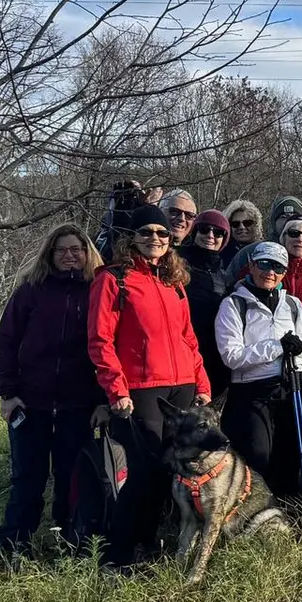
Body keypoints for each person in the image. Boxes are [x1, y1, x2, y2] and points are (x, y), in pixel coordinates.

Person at [87, 203, 212, 566]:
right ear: (131, 238)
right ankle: (118, 555)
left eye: (161, 233)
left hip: (183, 387)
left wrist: (201, 382)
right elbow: (100, 341)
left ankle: (149, 543)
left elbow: (189, 339)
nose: (155, 239)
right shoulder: (114, 279)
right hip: (142, 389)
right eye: (146, 232)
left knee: (170, 471)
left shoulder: (173, 283)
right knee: (141, 474)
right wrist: (116, 390)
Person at [0, 224, 103, 552]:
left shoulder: (97, 290)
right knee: (28, 480)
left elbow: (106, 349)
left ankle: (71, 541)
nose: (70, 256)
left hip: (78, 405)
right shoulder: (31, 290)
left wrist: (101, 401)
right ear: (50, 255)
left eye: (76, 250)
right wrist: (8, 393)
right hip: (31, 403)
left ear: (87, 254)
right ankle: (14, 546)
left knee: (73, 479)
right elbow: (7, 340)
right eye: (62, 250)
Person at [216, 241, 302, 500]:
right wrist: (275, 346)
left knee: (291, 453)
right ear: (251, 266)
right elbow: (231, 356)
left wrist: (299, 348)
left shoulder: (293, 305)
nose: (270, 272)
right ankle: (254, 509)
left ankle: (288, 509)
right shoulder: (234, 305)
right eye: (264, 264)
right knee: (258, 455)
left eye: (277, 267)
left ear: (285, 273)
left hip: (293, 385)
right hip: (253, 391)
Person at [179, 209, 236, 405]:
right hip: (186, 355)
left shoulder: (222, 273)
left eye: (218, 232)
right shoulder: (178, 265)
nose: (210, 236)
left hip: (216, 357)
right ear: (194, 232)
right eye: (204, 230)